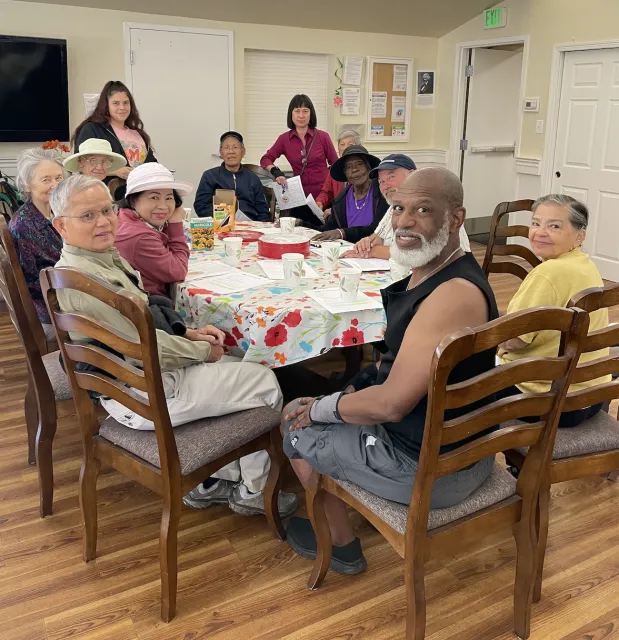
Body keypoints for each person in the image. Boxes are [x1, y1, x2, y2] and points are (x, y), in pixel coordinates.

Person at [280, 168, 498, 573]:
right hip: (458, 445)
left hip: (437, 470)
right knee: (334, 401)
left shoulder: (452, 295)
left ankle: (340, 545)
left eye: (422, 210)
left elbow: (392, 403)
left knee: (294, 420)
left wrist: (319, 409)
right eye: (398, 208)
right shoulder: (436, 270)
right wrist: (340, 399)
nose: (404, 221)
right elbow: (390, 369)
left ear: (456, 218)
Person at [50, 174, 298, 517]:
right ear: (61, 225)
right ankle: (254, 491)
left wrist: (189, 335)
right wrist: (201, 350)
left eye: (107, 210)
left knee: (239, 361)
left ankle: (211, 480)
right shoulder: (88, 282)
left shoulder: (94, 260)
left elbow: (144, 324)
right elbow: (145, 349)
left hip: (132, 379)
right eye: (88, 215)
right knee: (265, 381)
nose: (104, 221)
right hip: (139, 393)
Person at [498, 194, 610, 427]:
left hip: (548, 401)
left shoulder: (548, 273)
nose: (539, 232)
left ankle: (472, 458)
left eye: (554, 226)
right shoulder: (585, 264)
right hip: (589, 396)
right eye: (536, 223)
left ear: (580, 236)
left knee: (458, 378)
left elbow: (514, 340)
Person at [342, 154, 471, 260]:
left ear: (412, 175)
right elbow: (377, 238)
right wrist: (366, 243)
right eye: (381, 181)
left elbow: (420, 253)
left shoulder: (431, 206)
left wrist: (375, 251)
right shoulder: (395, 208)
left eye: (391, 177)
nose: (385, 185)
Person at [9, 148, 65, 339]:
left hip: (67, 292)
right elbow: (31, 284)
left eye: (59, 178)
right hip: (51, 308)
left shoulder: (58, 211)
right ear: (27, 184)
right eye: (46, 179)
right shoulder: (24, 225)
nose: (55, 185)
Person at [260, 94, 338, 228]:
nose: (301, 115)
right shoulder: (284, 139)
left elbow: (336, 166)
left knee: (323, 235)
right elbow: (265, 159)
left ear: (311, 114)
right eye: (297, 111)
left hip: (324, 198)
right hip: (299, 199)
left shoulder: (323, 137)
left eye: (305, 111)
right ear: (291, 114)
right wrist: (276, 172)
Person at [115, 163, 192, 296]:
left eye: (169, 198)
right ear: (133, 201)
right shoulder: (138, 236)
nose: (163, 206)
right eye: (154, 197)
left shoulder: (126, 217)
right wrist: (175, 224)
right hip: (147, 307)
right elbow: (178, 271)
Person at [72, 81, 157, 198]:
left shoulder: (138, 133)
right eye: (116, 103)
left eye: (126, 103)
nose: (122, 107)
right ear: (106, 105)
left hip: (140, 196)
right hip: (107, 196)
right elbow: (79, 165)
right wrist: (115, 170)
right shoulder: (92, 129)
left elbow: (152, 163)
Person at [312, 145, 388, 243]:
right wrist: (300, 223)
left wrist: (343, 233)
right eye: (348, 167)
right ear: (345, 174)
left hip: (377, 251)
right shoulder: (341, 200)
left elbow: (379, 229)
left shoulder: (382, 192)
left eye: (359, 164)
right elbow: (327, 230)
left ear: (368, 167)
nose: (354, 169)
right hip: (349, 253)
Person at [194, 131, 270, 221]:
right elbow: (201, 206)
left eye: (235, 147)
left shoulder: (253, 179)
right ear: (221, 153)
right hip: (219, 224)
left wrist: (260, 228)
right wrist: (222, 219)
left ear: (243, 151)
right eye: (226, 148)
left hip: (249, 226)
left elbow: (263, 211)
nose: (231, 151)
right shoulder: (210, 176)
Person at [315, 129, 360, 216]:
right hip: (337, 216)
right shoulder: (335, 168)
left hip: (355, 215)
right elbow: (327, 192)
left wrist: (335, 210)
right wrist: (320, 202)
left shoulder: (362, 170)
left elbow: (361, 199)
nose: (345, 148)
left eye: (350, 144)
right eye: (342, 144)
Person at [63, 138, 127, 181]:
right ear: (81, 162)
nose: (99, 167)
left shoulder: (104, 190)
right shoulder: (73, 191)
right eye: (93, 160)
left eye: (105, 161)